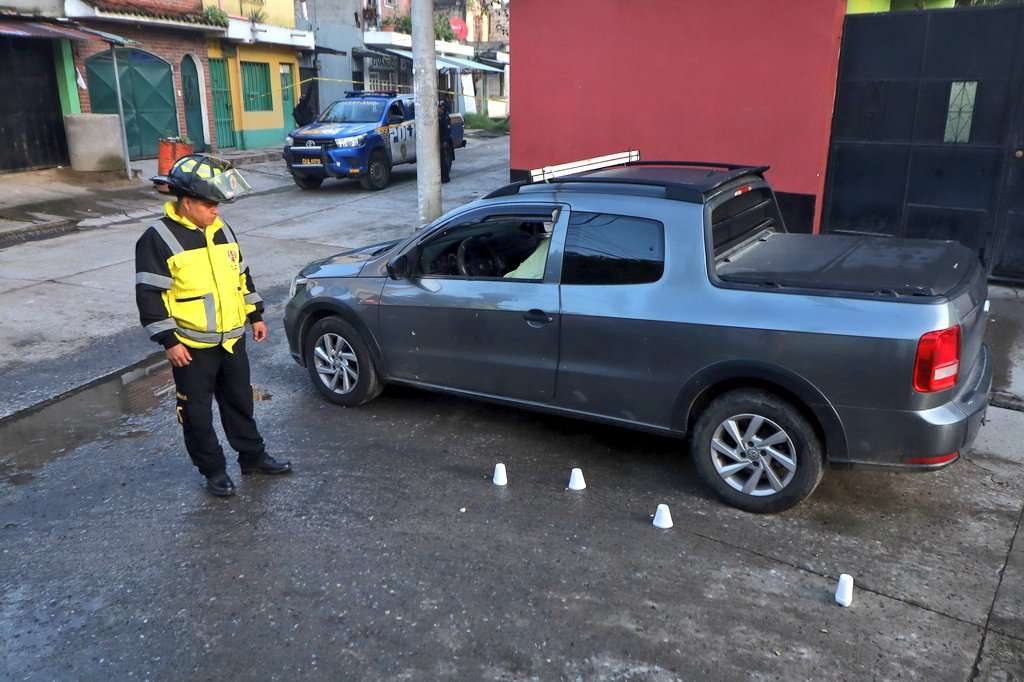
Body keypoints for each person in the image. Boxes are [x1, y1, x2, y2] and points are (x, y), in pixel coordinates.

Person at [136, 155, 292, 498]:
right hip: (190, 348)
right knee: (197, 415)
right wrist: (168, 341)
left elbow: (242, 275)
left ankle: (252, 457)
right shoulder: (158, 238)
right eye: (210, 205)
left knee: (240, 404)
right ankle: (214, 472)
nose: (216, 211)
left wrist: (255, 315)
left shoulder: (222, 230)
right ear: (187, 203)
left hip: (233, 340)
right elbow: (149, 294)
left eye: (218, 205)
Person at [438, 99, 453, 184]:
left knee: (443, 161)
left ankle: (446, 177)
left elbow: (447, 131)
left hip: (444, 141)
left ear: (442, 108)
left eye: (439, 108)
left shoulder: (445, 117)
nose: (438, 109)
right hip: (441, 140)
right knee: (441, 160)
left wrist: (444, 142)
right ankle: (443, 177)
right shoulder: (441, 116)